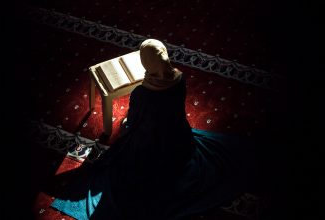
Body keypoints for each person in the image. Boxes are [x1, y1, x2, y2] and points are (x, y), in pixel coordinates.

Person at [47, 39, 259, 220]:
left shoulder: (142, 94)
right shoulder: (179, 78)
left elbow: (135, 122)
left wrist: (125, 128)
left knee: (124, 155)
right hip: (178, 137)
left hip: (150, 145)